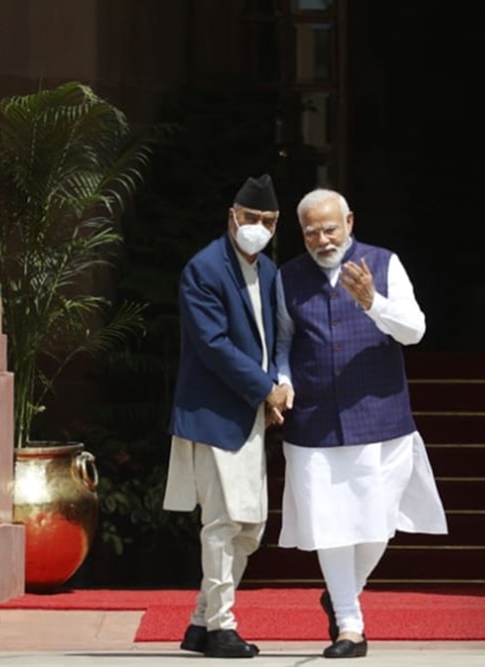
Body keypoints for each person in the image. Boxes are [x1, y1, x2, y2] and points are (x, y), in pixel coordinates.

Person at [275, 188, 448, 659]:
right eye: (311, 231)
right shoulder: (287, 277)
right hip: (314, 420)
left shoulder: (385, 264)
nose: (322, 239)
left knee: (377, 524)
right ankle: (349, 625)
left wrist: (374, 302)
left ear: (349, 221)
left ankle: (341, 594)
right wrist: (283, 380)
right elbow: (283, 343)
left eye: (330, 228)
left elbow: (415, 331)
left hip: (381, 416)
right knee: (331, 524)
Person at [163, 174, 292, 659]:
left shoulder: (271, 272)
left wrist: (281, 384)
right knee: (222, 522)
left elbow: (279, 337)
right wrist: (266, 390)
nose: (259, 227)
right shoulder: (204, 269)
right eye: (252, 218)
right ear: (232, 215)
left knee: (250, 528)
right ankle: (220, 626)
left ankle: (199, 622)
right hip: (212, 412)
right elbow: (213, 345)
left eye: (269, 221)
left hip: (251, 413)